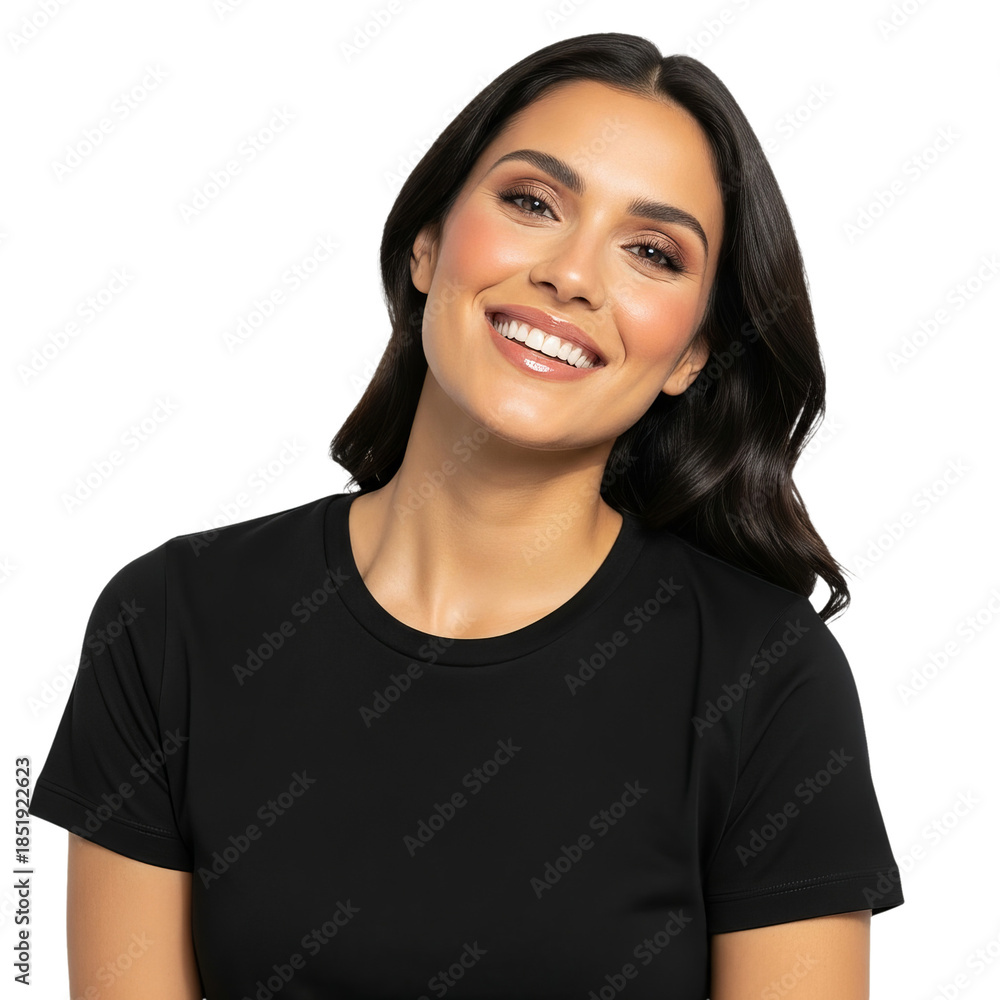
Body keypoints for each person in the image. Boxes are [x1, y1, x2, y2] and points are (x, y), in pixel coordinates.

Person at [28, 31, 903, 999]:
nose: (573, 275)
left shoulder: (767, 678)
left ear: (694, 353)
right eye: (532, 202)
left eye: (652, 252)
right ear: (427, 241)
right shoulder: (171, 624)